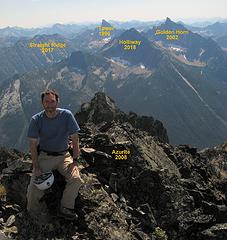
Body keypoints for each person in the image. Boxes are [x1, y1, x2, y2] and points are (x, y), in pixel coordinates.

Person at [26, 89, 83, 221]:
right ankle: (32, 213)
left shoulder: (67, 115)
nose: (50, 104)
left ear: (57, 102)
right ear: (42, 103)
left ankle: (65, 207)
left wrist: (75, 161)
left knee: (76, 179)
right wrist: (36, 166)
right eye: (47, 102)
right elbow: (32, 145)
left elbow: (75, 138)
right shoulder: (36, 120)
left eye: (52, 101)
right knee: (35, 185)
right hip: (45, 156)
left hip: (64, 156)